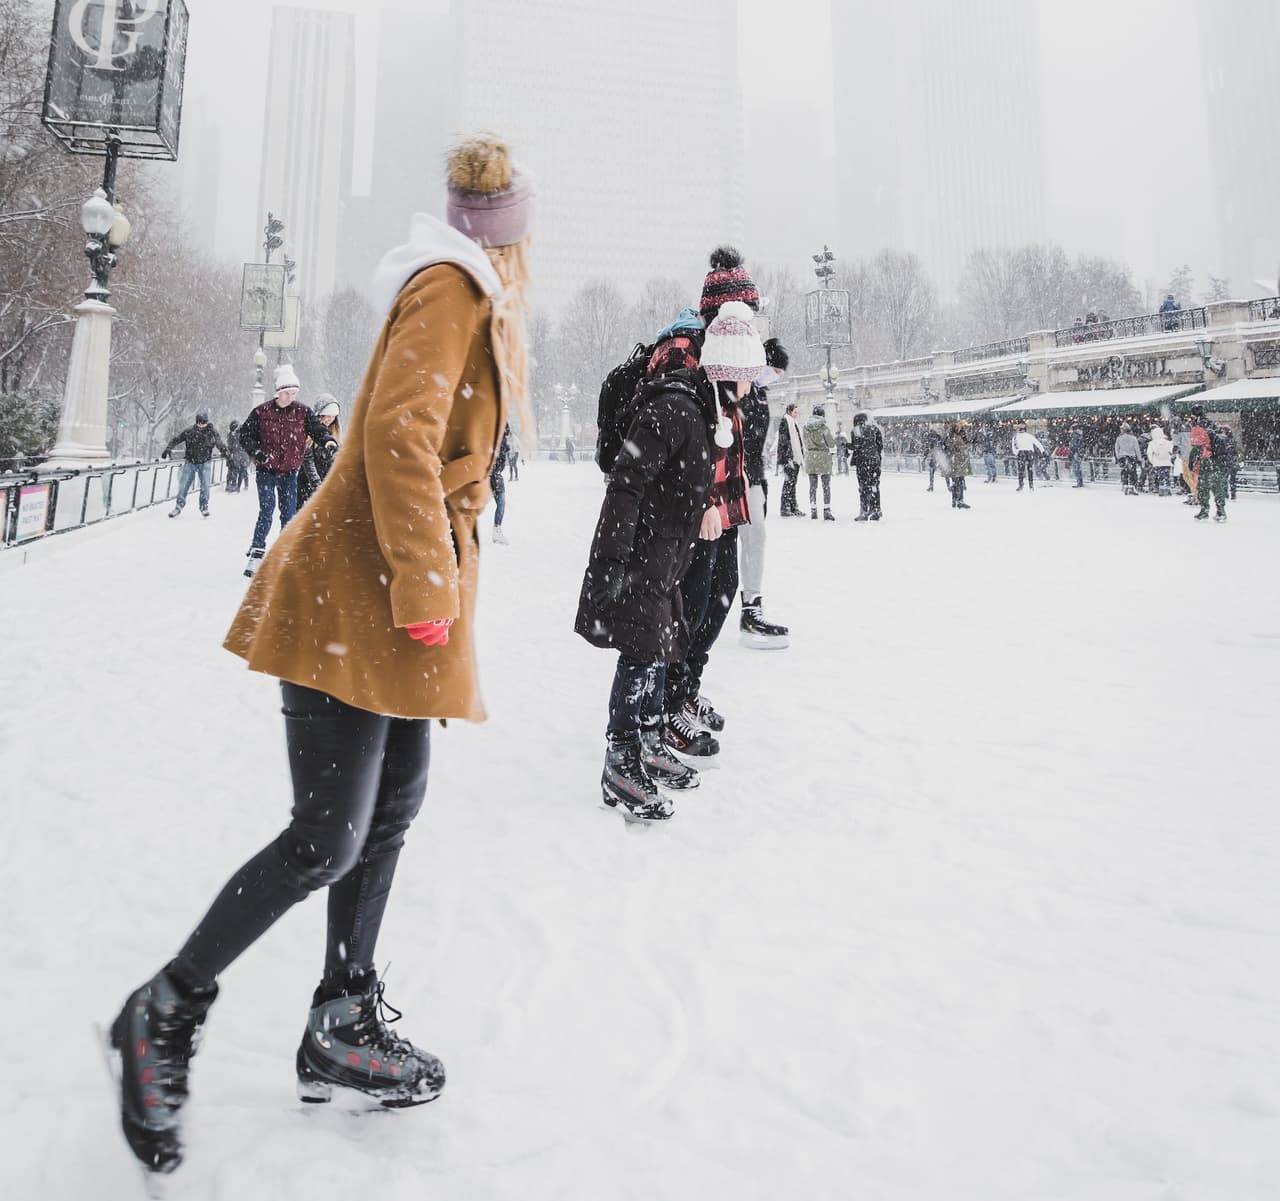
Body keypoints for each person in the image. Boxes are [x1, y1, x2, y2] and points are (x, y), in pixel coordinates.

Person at [106, 132, 535, 1177]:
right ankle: (161, 1010)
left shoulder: (469, 288)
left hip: (385, 597)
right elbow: (394, 434)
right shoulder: (453, 287)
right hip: (359, 589)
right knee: (326, 836)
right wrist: (431, 581)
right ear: (510, 233)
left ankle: (342, 1015)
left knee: (387, 812)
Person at [575, 301, 763, 817]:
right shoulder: (675, 408)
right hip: (641, 553)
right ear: (727, 374)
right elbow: (627, 482)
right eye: (746, 378)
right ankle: (621, 759)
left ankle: (651, 738)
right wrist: (613, 562)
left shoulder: (704, 413)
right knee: (640, 652)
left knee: (662, 645)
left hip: (666, 556)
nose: (751, 389)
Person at [237, 365, 337, 577]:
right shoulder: (261, 412)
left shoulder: (302, 412)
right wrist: (257, 451)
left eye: (294, 393)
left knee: (288, 513)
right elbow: (244, 435)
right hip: (266, 471)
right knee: (267, 510)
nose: (290, 397)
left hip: (290, 472)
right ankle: (257, 551)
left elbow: (317, 430)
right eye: (287, 392)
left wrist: (327, 440)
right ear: (278, 392)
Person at [738, 337, 790, 648]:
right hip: (737, 475)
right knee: (745, 538)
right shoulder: (741, 390)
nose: (777, 376)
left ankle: (751, 603)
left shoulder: (759, 392)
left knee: (756, 535)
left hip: (752, 475)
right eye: (775, 369)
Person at [162, 408, 228, 518]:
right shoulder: (189, 431)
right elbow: (177, 439)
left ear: (206, 422)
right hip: (190, 461)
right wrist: (168, 448)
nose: (201, 425)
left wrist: (226, 453)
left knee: (205, 486)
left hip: (205, 462)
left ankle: (204, 507)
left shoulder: (212, 432)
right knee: (184, 485)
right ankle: (178, 506)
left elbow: (219, 443)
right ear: (196, 422)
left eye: (203, 422)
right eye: (199, 423)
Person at [296, 395, 342, 509]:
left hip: (326, 485)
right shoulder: (311, 433)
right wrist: (317, 484)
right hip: (307, 484)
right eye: (327, 416)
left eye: (333, 417)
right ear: (320, 414)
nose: (330, 419)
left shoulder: (334, 436)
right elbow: (307, 461)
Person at [1190, 414, 1229, 521]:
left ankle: (1204, 510)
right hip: (1217, 465)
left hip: (1206, 464)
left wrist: (1192, 463)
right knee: (1217, 488)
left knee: (1203, 488)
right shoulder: (1218, 437)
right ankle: (1221, 510)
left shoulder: (1200, 435)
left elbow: (1195, 450)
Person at [803, 404, 836, 520]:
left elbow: (805, 442)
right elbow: (831, 443)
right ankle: (826, 510)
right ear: (822, 415)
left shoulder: (805, 427)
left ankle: (813, 509)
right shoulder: (824, 427)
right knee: (826, 486)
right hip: (823, 458)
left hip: (811, 457)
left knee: (812, 486)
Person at [849, 411, 883, 521]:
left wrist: (846, 445)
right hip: (875, 462)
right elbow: (880, 445)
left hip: (863, 463)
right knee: (874, 485)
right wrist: (875, 455)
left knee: (863, 488)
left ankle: (863, 511)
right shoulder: (875, 429)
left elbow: (856, 446)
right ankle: (876, 509)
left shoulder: (855, 430)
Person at [776, 401, 804, 516]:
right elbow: (784, 441)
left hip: (795, 457)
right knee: (789, 482)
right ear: (789, 411)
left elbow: (797, 441)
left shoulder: (793, 422)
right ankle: (785, 508)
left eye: (797, 412)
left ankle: (793, 507)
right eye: (795, 412)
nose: (796, 414)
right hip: (789, 458)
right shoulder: (785, 421)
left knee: (793, 482)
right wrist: (788, 458)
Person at [943, 421, 972, 509]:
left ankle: (956, 500)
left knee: (957, 481)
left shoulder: (952, 436)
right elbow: (955, 448)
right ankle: (959, 500)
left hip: (957, 461)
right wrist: (965, 446)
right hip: (956, 461)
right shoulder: (953, 437)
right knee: (958, 481)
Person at [491, 423, 511, 544]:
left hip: (493, 473)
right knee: (501, 503)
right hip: (492, 473)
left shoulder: (501, 439)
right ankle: (497, 531)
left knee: (501, 503)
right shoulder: (498, 439)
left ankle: (497, 531)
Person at [1011, 422, 1045, 492]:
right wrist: (1042, 451)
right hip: (1029, 453)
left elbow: (1013, 446)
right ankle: (1030, 486)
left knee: (1021, 470)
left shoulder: (1016, 437)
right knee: (1029, 470)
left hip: (1022, 453)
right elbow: (1037, 443)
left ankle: (1021, 485)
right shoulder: (1029, 436)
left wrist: (1016, 453)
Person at [1146, 421, 1174, 495]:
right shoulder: (1168, 442)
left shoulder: (1152, 443)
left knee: (1159, 476)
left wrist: (1152, 461)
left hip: (1157, 462)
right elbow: (1171, 452)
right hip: (1167, 462)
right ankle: (1167, 489)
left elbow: (1149, 453)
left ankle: (1161, 489)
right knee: (1167, 475)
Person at [1114, 421, 1141, 495]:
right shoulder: (1133, 438)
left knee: (1124, 472)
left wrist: (1118, 457)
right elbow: (1137, 449)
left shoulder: (1119, 438)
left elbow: (1116, 449)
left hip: (1122, 456)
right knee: (1132, 472)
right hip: (1131, 456)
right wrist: (1139, 458)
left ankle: (1125, 486)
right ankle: (1132, 487)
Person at [225, 419, 251, 493]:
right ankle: (237, 486)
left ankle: (234, 486)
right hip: (239, 455)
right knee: (240, 470)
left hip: (239, 455)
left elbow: (231, 445)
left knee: (237, 470)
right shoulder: (234, 434)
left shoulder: (235, 434)